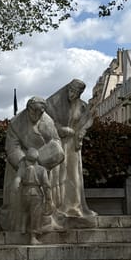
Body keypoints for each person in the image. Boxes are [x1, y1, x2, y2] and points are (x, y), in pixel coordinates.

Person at [0, 96, 64, 232]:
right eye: (35, 111)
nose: (38, 114)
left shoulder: (47, 120)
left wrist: (53, 153)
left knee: (46, 189)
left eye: (41, 112)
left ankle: (48, 221)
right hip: (22, 161)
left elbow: (56, 140)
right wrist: (26, 164)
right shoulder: (16, 122)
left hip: (44, 162)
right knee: (21, 194)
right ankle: (20, 225)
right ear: (29, 108)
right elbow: (12, 147)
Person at [45, 79, 96, 222]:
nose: (73, 94)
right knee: (58, 175)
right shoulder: (54, 102)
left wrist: (81, 132)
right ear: (68, 88)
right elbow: (46, 121)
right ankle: (56, 206)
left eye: (77, 93)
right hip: (57, 143)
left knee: (73, 175)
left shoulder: (82, 106)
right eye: (72, 91)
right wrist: (60, 129)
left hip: (73, 145)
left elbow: (88, 120)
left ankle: (74, 205)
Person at [13, 147, 52, 244]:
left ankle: (22, 228)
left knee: (25, 210)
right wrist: (48, 199)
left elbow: (17, 180)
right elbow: (46, 185)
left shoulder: (23, 169)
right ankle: (33, 237)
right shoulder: (41, 170)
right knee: (35, 215)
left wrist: (15, 189)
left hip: (25, 192)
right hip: (36, 193)